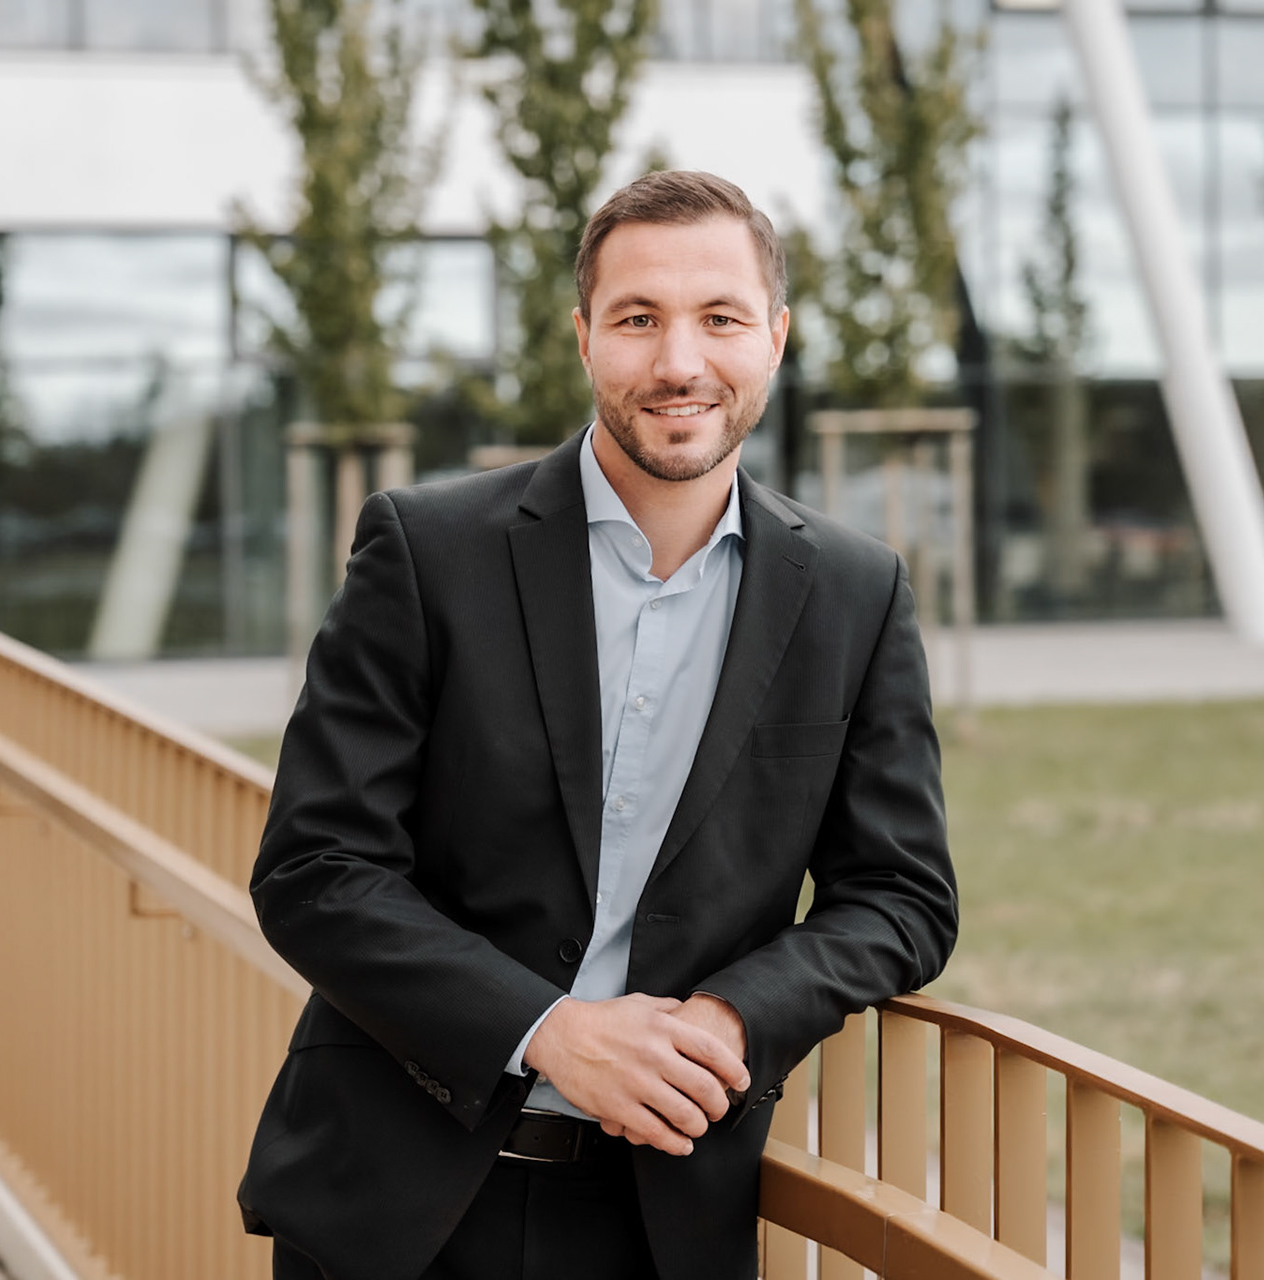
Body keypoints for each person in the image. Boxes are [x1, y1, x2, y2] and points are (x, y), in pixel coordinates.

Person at [239, 169, 957, 1280]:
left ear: (776, 337)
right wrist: (547, 1028)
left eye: (720, 318)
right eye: (637, 319)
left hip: (664, 1217)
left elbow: (903, 896)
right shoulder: (427, 551)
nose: (679, 361)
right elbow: (315, 867)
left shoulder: (857, 595)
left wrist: (734, 1017)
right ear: (583, 337)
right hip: (394, 1206)